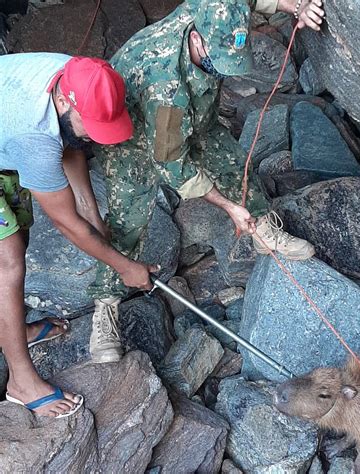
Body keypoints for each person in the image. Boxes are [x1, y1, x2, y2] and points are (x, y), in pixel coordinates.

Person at [88, 0, 326, 363]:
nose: (223, 72)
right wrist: (229, 208)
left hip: (197, 116)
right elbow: (172, 164)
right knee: (128, 221)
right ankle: (105, 308)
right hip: (134, 140)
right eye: (217, 62)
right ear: (197, 41)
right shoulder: (165, 88)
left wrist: (294, 6)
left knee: (231, 162)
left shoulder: (211, 9)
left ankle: (263, 230)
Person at [0, 53, 158, 418]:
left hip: (8, 136)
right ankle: (21, 383)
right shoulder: (34, 136)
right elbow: (66, 224)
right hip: (15, 135)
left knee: (18, 239)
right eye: (94, 127)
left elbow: (69, 140)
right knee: (7, 263)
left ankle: (11, 333)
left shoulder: (81, 76)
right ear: (63, 100)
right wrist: (125, 267)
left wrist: (90, 209)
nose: (97, 138)